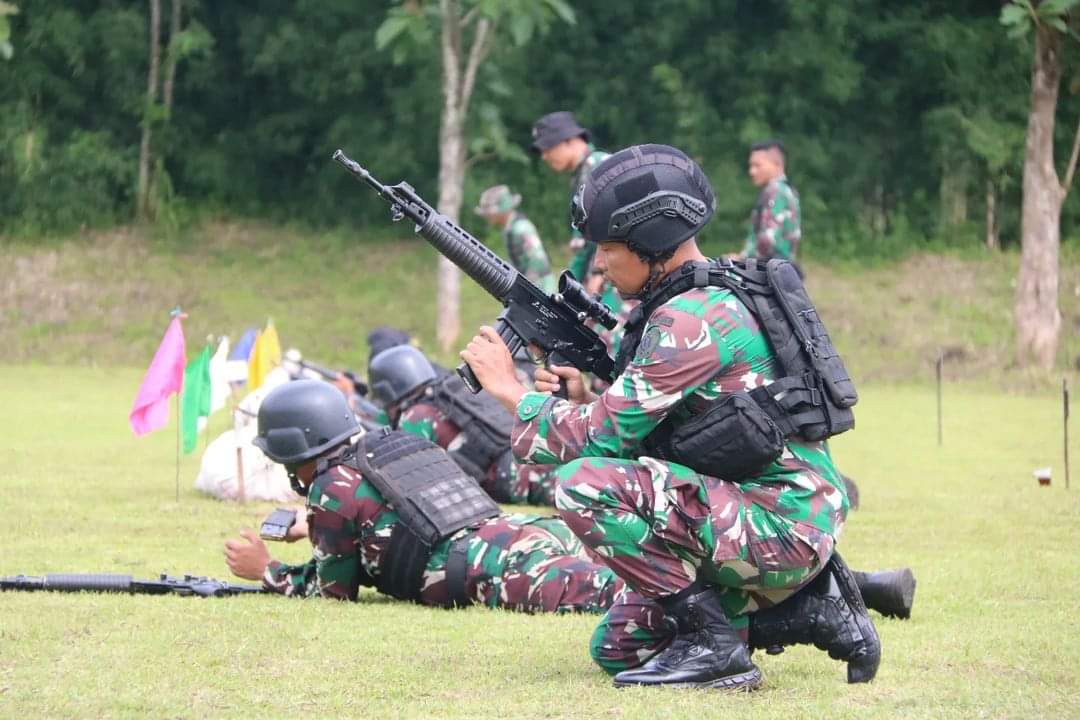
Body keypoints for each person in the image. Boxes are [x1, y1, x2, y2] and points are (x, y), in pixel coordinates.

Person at [461, 144, 880, 690]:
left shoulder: (690, 320)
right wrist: (580, 396)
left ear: (651, 244)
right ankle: (812, 610)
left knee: (583, 485)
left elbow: (600, 439)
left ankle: (716, 648)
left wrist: (510, 392)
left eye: (609, 249)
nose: (600, 264)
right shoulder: (696, 296)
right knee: (618, 647)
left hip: (781, 521)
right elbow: (655, 431)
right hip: (759, 507)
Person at [222, 379, 621, 613]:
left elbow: (333, 593)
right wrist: (314, 527)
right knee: (638, 565)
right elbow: (389, 521)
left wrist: (267, 570)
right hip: (522, 531)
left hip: (493, 566)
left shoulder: (331, 487)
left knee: (623, 597)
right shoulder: (385, 448)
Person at [368, 344, 558, 506]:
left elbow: (408, 475)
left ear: (387, 392)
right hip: (541, 456)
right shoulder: (455, 389)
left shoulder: (415, 416)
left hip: (514, 481)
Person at [475, 185, 556, 294]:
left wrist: (527, 288)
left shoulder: (520, 228)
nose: (487, 216)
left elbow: (539, 260)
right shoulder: (509, 229)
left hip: (541, 287)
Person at [738, 139, 801, 262]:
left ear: (777, 165)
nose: (752, 171)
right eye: (751, 166)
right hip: (783, 267)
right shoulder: (788, 191)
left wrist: (741, 259)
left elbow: (768, 241)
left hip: (769, 267)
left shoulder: (774, 192)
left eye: (758, 165)